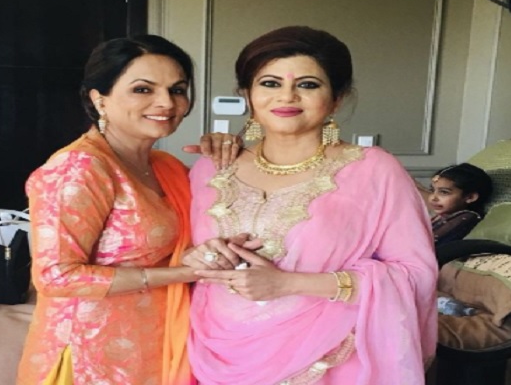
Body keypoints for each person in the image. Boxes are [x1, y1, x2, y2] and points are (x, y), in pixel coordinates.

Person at [185, 26, 438, 384]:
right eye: (270, 83)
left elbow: (415, 276)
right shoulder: (211, 168)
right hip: (212, 351)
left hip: (331, 356)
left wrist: (288, 284)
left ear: (337, 98)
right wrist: (197, 257)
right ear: (247, 95)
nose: (287, 96)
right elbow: (181, 256)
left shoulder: (372, 170)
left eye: (308, 84)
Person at [17, 35, 244, 385]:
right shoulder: (79, 168)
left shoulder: (165, 166)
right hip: (92, 355)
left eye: (177, 90)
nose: (166, 102)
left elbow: (203, 228)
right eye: (143, 89)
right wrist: (184, 273)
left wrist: (227, 156)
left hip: (154, 343)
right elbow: (56, 277)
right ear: (100, 99)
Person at [416, 163, 493, 245]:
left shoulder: (467, 217)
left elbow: (425, 242)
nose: (433, 198)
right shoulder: (444, 215)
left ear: (470, 197)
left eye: (444, 192)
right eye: (432, 190)